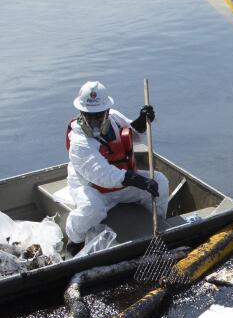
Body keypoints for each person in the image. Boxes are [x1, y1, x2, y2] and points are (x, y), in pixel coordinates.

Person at [61, 81, 165, 250]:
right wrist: (137, 180)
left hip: (121, 184)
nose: (94, 120)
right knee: (92, 209)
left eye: (98, 115)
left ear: (107, 111)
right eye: (89, 115)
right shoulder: (79, 142)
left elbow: (132, 135)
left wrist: (142, 121)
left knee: (160, 182)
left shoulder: (114, 118)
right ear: (81, 112)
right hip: (92, 187)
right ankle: (75, 241)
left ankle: (159, 225)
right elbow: (102, 175)